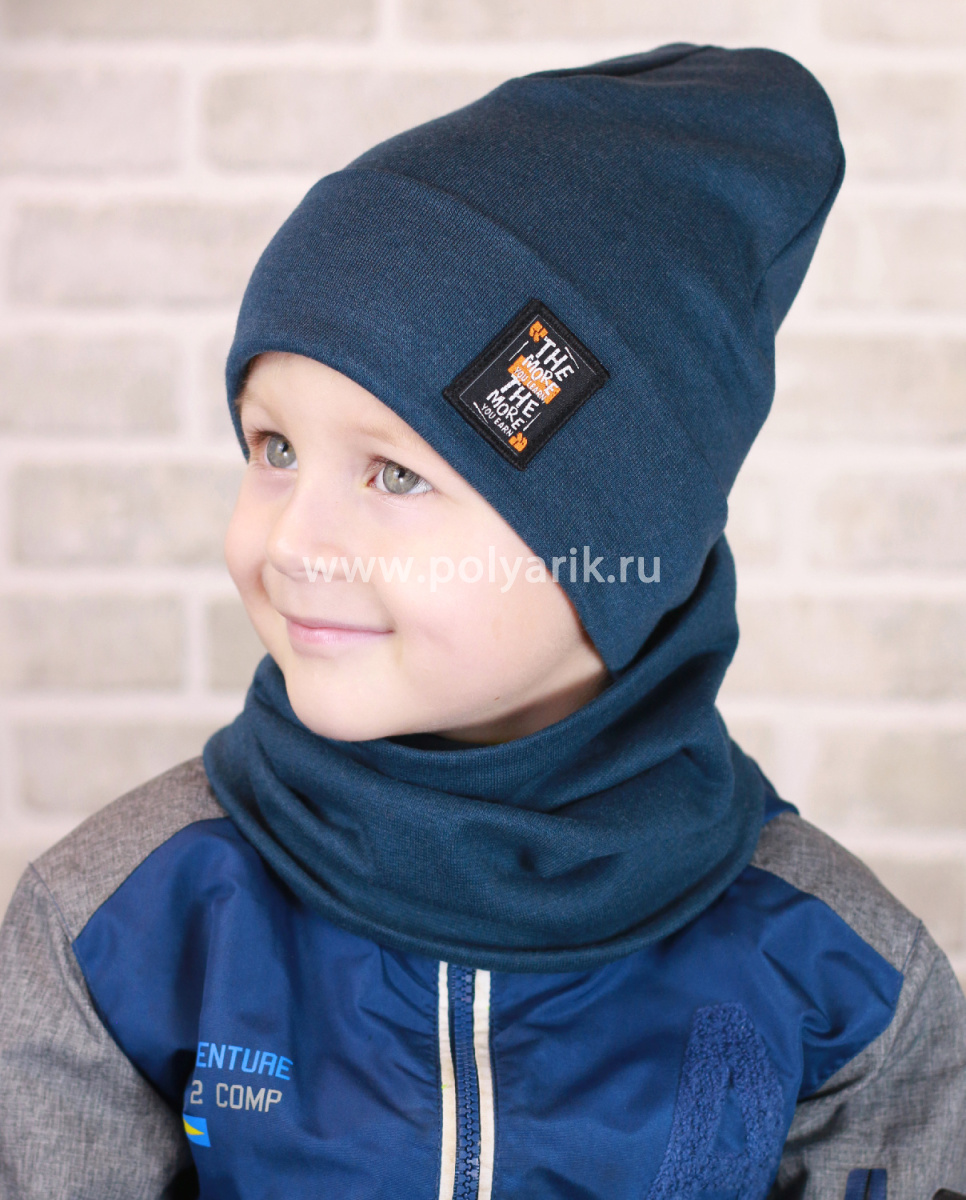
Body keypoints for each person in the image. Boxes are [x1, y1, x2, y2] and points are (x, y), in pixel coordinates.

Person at [1, 43, 964, 1200]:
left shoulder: (844, 980)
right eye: (274, 448)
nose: (294, 542)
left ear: (625, 546)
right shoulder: (121, 930)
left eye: (397, 473)